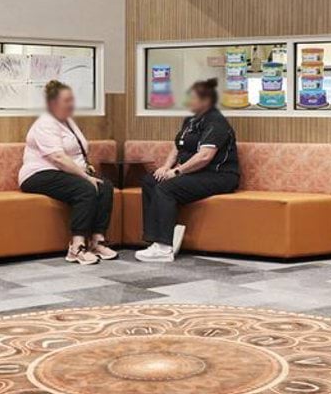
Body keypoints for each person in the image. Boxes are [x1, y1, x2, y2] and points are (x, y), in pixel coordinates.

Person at [136, 77, 240, 262]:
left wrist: (176, 172)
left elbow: (204, 156)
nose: (187, 102)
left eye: (191, 98)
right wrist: (166, 167)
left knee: (166, 188)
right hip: (195, 173)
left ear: (206, 101)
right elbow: (178, 146)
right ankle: (154, 239)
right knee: (151, 181)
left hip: (218, 175)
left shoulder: (216, 121)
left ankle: (164, 247)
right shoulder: (190, 120)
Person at [19, 80, 116, 265]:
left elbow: (78, 152)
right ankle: (76, 246)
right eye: (67, 100)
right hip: (39, 174)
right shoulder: (45, 123)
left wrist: (87, 171)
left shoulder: (68, 121)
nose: (71, 104)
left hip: (66, 173)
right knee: (86, 189)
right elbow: (58, 158)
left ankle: (97, 240)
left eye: (72, 100)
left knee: (105, 186)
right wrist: (86, 177)